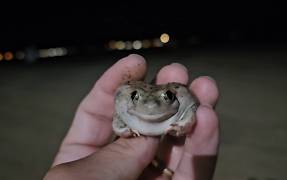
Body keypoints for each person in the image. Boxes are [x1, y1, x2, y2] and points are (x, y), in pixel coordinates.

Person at [44, 54, 220, 180]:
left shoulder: (181, 100)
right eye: (136, 97)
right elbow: (117, 121)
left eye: (167, 97)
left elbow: (190, 111)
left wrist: (183, 126)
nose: (151, 106)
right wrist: (124, 130)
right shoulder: (125, 104)